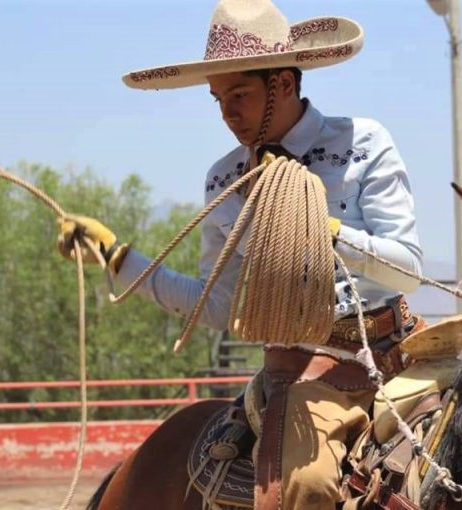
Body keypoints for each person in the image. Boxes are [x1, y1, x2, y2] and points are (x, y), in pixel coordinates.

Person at [58, 1, 423, 508]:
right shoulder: (226, 181)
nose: (228, 113)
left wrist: (326, 231)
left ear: (284, 85)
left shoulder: (363, 144)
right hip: (304, 376)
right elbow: (220, 303)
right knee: (309, 483)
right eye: (218, 99)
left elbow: (407, 270)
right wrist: (120, 258)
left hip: (404, 355)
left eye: (241, 94)